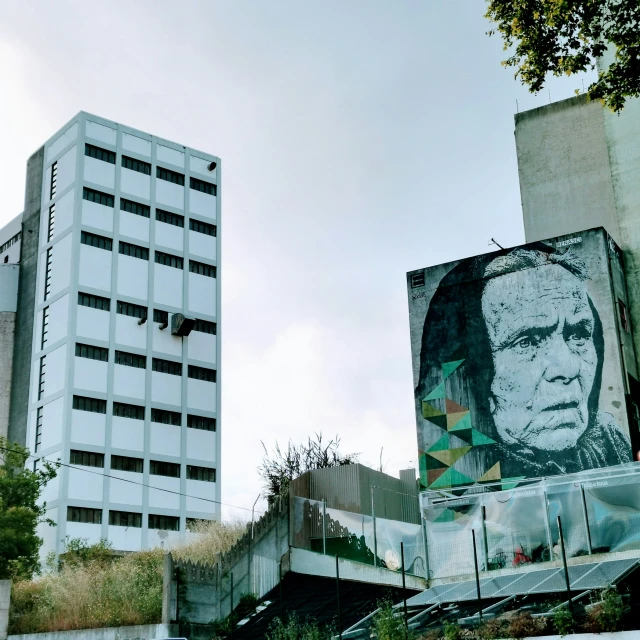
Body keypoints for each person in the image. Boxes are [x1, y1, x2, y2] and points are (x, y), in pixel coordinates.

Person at [415, 244, 632, 481]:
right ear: (471, 371)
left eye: (578, 335)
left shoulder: (608, 440)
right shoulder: (455, 470)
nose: (567, 368)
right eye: (526, 341)